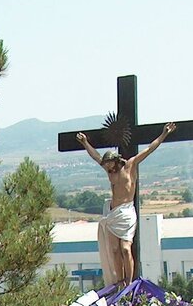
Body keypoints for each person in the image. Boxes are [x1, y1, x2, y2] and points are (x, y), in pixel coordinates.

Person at [76, 122, 177, 286]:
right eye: (106, 165)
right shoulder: (110, 172)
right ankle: (120, 281)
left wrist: (164, 134)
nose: (107, 167)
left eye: (108, 163)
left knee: (125, 248)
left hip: (127, 212)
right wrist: (85, 142)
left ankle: (129, 282)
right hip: (113, 213)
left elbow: (149, 149)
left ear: (115, 161)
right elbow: (95, 156)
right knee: (115, 250)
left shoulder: (131, 165)